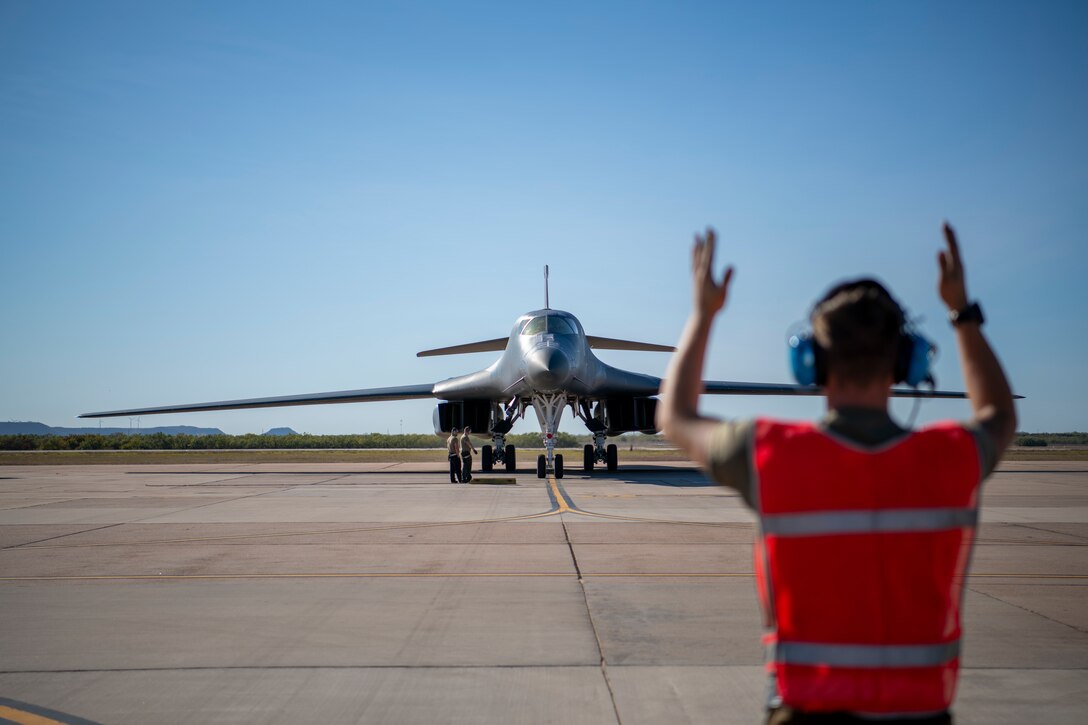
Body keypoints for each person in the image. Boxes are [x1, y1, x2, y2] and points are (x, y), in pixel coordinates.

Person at [657, 224, 1016, 724]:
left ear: (811, 364)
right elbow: (1000, 415)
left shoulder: (769, 453)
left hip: (807, 714)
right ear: (908, 363)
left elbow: (674, 416)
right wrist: (962, 314)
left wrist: (702, 315)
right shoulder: (951, 458)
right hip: (923, 714)